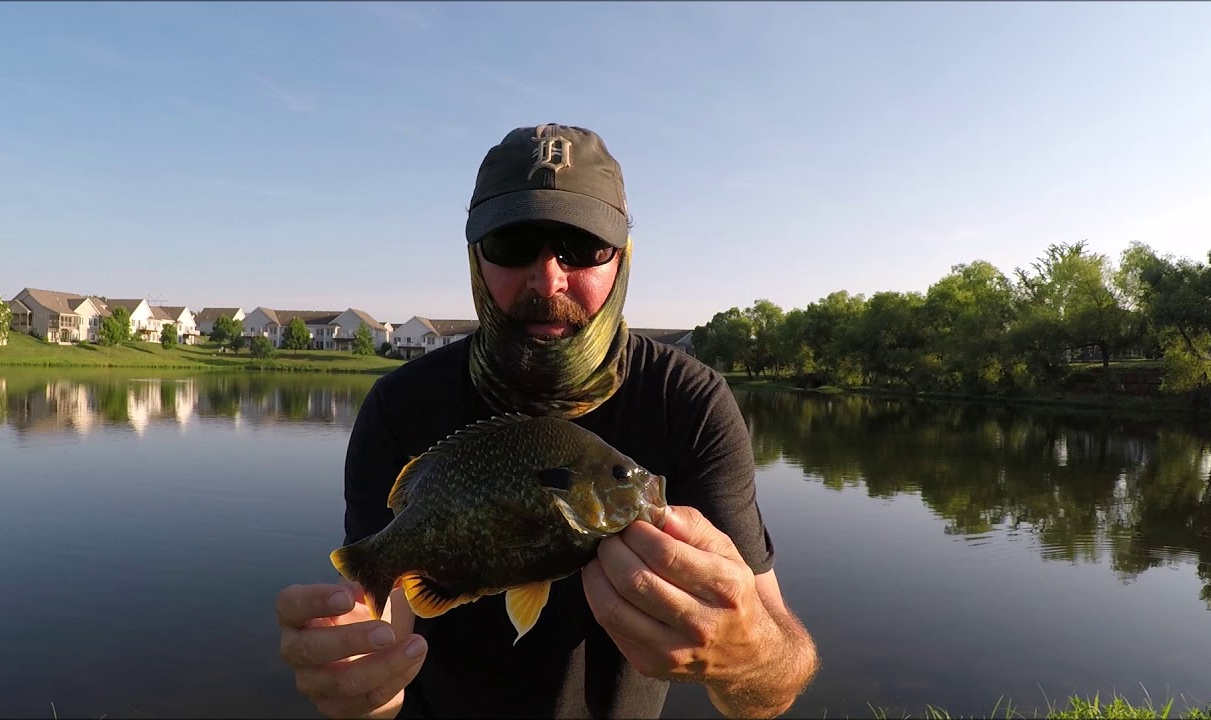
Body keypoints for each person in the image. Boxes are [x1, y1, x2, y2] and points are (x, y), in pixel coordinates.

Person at [275, 123, 819, 719]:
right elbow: (385, 625)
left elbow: (769, 695)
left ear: (622, 259)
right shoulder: (399, 406)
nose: (548, 278)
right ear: (475, 257)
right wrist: (362, 684)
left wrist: (750, 658)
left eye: (582, 247)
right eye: (512, 243)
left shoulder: (689, 403)